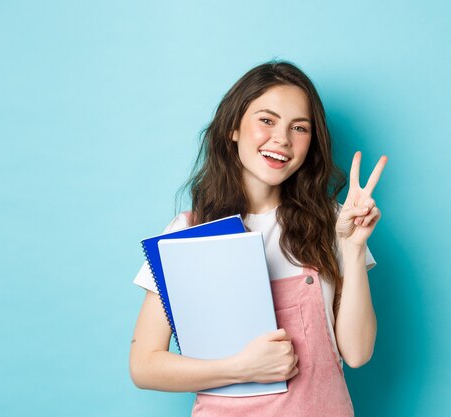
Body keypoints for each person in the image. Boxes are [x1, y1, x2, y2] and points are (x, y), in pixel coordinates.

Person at [129, 60, 387, 416]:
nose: (282, 139)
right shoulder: (188, 233)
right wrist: (241, 367)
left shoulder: (333, 222)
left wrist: (353, 248)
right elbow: (144, 365)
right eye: (267, 120)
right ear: (233, 128)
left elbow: (357, 353)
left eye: (300, 128)